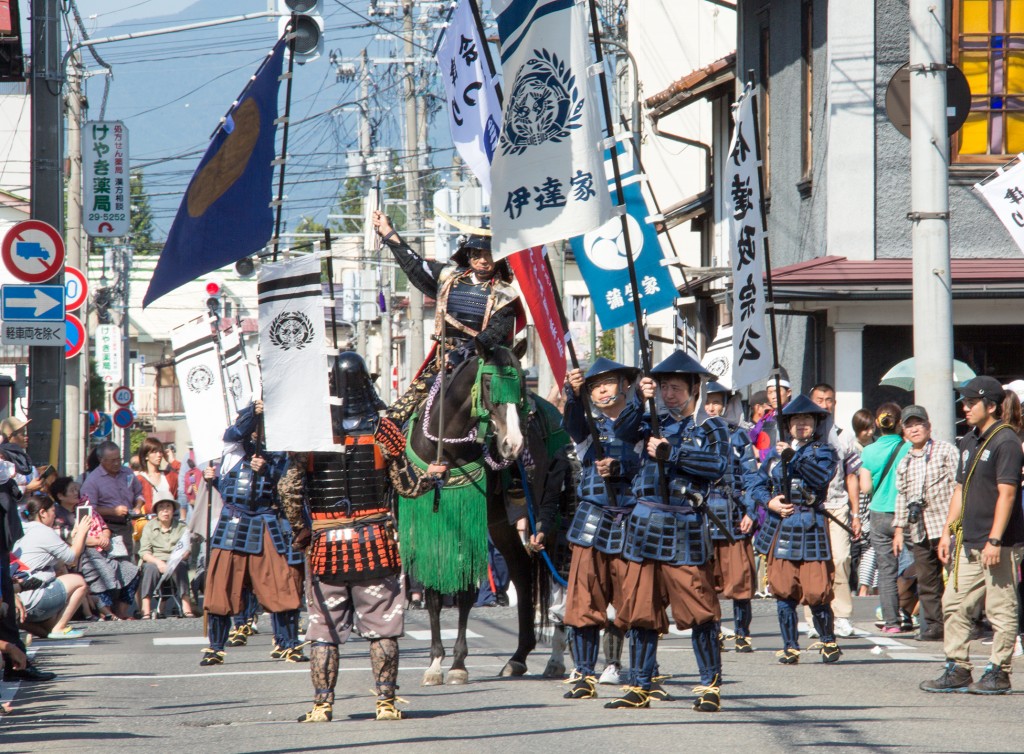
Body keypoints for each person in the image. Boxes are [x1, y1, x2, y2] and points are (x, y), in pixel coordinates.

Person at [279, 351, 445, 723]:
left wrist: (301, 531)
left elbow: (288, 489)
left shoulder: (310, 435)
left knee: (323, 632)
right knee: (383, 627)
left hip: (326, 546)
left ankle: (322, 706)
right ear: (367, 384)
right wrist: (432, 478)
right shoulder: (385, 431)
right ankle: (385, 703)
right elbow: (405, 485)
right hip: (375, 543)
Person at [612, 351, 729, 712]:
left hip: (684, 525)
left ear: (696, 388)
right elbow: (621, 430)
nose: (669, 395)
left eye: (676, 388)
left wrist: (672, 454)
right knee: (640, 609)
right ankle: (641, 684)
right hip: (645, 523)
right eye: (664, 387)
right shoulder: (651, 421)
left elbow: (718, 465)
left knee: (700, 610)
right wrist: (638, 398)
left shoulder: (711, 427)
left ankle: (709, 684)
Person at [921, 377, 1024, 695]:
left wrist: (995, 539)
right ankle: (958, 667)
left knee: (999, 607)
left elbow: (1007, 494)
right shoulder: (968, 441)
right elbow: (959, 491)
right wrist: (946, 532)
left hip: (1000, 543)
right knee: (954, 603)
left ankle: (998, 672)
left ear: (991, 406)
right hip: (968, 539)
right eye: (963, 403)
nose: (964, 408)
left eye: (971, 403)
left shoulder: (1006, 441)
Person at [373, 210, 521, 425]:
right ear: (468, 255)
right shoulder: (448, 278)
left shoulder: (505, 294)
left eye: (488, 254)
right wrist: (388, 232)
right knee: (396, 417)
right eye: (477, 254)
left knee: (514, 418)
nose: (482, 260)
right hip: (444, 361)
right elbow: (414, 264)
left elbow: (495, 334)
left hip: (485, 364)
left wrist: (465, 351)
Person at [559, 358, 641, 700]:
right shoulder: (585, 426)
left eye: (608, 382)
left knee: (635, 601)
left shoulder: (643, 423)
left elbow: (646, 459)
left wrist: (620, 465)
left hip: (633, 520)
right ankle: (583, 672)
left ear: (625, 385)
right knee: (584, 600)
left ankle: (635, 671)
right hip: (592, 521)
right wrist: (572, 392)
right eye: (595, 385)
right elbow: (572, 419)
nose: (602, 389)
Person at [201, 401, 305, 666]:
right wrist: (252, 412)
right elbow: (235, 433)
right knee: (220, 587)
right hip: (233, 521)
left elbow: (287, 489)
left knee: (282, 584)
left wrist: (267, 470)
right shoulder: (233, 449)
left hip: (266, 519)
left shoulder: (279, 453)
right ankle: (215, 647)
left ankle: (288, 643)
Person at [746, 394, 840, 665]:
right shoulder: (775, 455)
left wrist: (794, 458)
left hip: (810, 524)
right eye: (796, 419)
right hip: (781, 526)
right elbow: (756, 483)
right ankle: (790, 646)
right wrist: (769, 502)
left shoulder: (823, 451)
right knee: (783, 590)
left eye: (806, 419)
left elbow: (820, 477)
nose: (801, 424)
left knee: (817, 590)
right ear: (787, 424)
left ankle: (828, 641)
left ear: (815, 423)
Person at [892, 405, 957, 642]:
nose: (914, 429)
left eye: (919, 424)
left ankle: (959, 624)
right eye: (909, 425)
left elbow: (959, 486)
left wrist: (955, 524)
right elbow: (901, 496)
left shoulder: (945, 451)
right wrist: (899, 530)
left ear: (929, 426)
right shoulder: (905, 461)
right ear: (904, 431)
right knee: (927, 581)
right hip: (919, 528)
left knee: (954, 578)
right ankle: (932, 626)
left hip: (946, 524)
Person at [703, 382, 759, 652]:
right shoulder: (695, 435)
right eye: (708, 401)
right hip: (703, 515)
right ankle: (713, 630)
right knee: (706, 580)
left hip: (734, 512)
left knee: (740, 579)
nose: (712, 407)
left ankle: (742, 632)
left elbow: (751, 477)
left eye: (717, 401)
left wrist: (751, 510)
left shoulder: (740, 437)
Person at [803, 384, 862, 639]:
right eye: (819, 399)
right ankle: (812, 617)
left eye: (828, 400)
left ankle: (841, 615)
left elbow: (852, 477)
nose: (824, 404)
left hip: (837, 506)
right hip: (808, 507)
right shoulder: (802, 433)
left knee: (840, 559)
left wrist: (856, 513)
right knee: (813, 564)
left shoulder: (844, 436)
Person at [51, 476, 139, 620]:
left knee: (132, 570)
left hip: (101, 552)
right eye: (72, 490)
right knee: (97, 568)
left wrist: (104, 536)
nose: (76, 493)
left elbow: (103, 526)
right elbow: (69, 539)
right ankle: (105, 610)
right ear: (61, 495)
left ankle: (121, 610)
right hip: (76, 558)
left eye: (76, 489)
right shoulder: (58, 515)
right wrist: (94, 540)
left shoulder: (84, 508)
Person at [859, 404, 910, 633]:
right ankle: (920, 614)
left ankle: (892, 623)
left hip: (879, 512)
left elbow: (866, 487)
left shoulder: (868, 451)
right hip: (907, 513)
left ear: (877, 424)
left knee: (886, 570)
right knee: (919, 563)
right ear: (899, 423)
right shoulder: (909, 448)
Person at [13, 497, 91, 639]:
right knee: (78, 581)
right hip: (32, 596)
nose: (55, 515)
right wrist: (82, 532)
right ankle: (59, 628)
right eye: (53, 511)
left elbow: (60, 559)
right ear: (43, 513)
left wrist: (72, 538)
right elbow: (72, 558)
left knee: (47, 629)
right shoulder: (44, 531)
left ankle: (29, 625)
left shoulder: (22, 528)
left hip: (16, 597)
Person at [80, 441, 146, 560]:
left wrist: (137, 506)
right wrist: (113, 511)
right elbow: (89, 510)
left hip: (126, 526)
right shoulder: (93, 480)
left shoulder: (127, 472)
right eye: (112, 460)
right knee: (113, 564)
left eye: (118, 459)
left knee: (128, 563)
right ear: (101, 460)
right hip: (107, 528)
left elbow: (139, 494)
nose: (116, 463)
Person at [138, 492, 194, 619]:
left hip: (175, 559)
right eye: (161, 508)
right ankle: (145, 607)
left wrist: (174, 561)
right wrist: (159, 562)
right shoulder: (149, 527)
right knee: (150, 568)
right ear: (156, 511)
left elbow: (186, 550)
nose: (165, 511)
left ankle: (186, 605)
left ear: (173, 510)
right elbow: (144, 552)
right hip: (155, 560)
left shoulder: (181, 527)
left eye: (168, 507)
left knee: (181, 567)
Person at [752, 369, 792, 462]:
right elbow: (752, 437)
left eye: (777, 391)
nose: (774, 396)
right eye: (770, 392)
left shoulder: (793, 415)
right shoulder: (767, 416)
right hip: (765, 467)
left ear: (788, 392)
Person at [0, 417, 47, 496]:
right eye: (22, 434)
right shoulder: (3, 461)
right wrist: (28, 488)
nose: (26, 437)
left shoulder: (24, 460)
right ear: (10, 436)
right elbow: (6, 491)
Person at [136, 437, 181, 515]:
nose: (159, 455)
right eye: (154, 452)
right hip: (149, 523)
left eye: (160, 452)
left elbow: (188, 476)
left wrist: (173, 461)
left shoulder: (169, 476)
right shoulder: (139, 479)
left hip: (169, 522)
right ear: (146, 456)